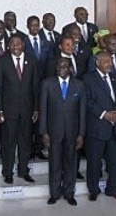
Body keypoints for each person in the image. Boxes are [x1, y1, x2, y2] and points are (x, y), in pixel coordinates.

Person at [39, 58, 85, 206]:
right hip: (53, 132)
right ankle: (55, 193)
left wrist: (81, 134)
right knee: (54, 163)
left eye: (64, 66)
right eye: (58, 65)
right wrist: (44, 132)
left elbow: (82, 112)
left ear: (70, 68)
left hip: (73, 132)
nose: (61, 68)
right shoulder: (47, 84)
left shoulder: (79, 85)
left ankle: (69, 193)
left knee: (71, 164)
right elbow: (43, 109)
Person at [83, 51, 116, 202]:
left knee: (115, 162)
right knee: (94, 162)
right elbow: (87, 102)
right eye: (106, 62)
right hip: (97, 127)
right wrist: (104, 114)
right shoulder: (88, 79)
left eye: (110, 61)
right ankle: (93, 190)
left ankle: (113, 189)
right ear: (97, 63)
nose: (110, 64)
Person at [0, 35, 39, 184]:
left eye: (19, 44)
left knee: (25, 141)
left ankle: (23, 170)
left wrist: (36, 108)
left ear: (23, 45)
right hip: (8, 110)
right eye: (13, 44)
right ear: (8, 46)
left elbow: (35, 86)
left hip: (27, 110)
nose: (16, 46)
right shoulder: (2, 61)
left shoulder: (32, 60)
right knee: (8, 142)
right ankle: (8, 172)